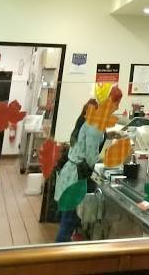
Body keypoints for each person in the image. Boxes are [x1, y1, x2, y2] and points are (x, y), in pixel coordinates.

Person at [54, 99, 101, 242]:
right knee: (68, 222)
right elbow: (91, 158)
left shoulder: (81, 124)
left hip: (69, 174)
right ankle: (60, 251)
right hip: (76, 177)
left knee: (67, 219)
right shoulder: (92, 127)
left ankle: (62, 247)